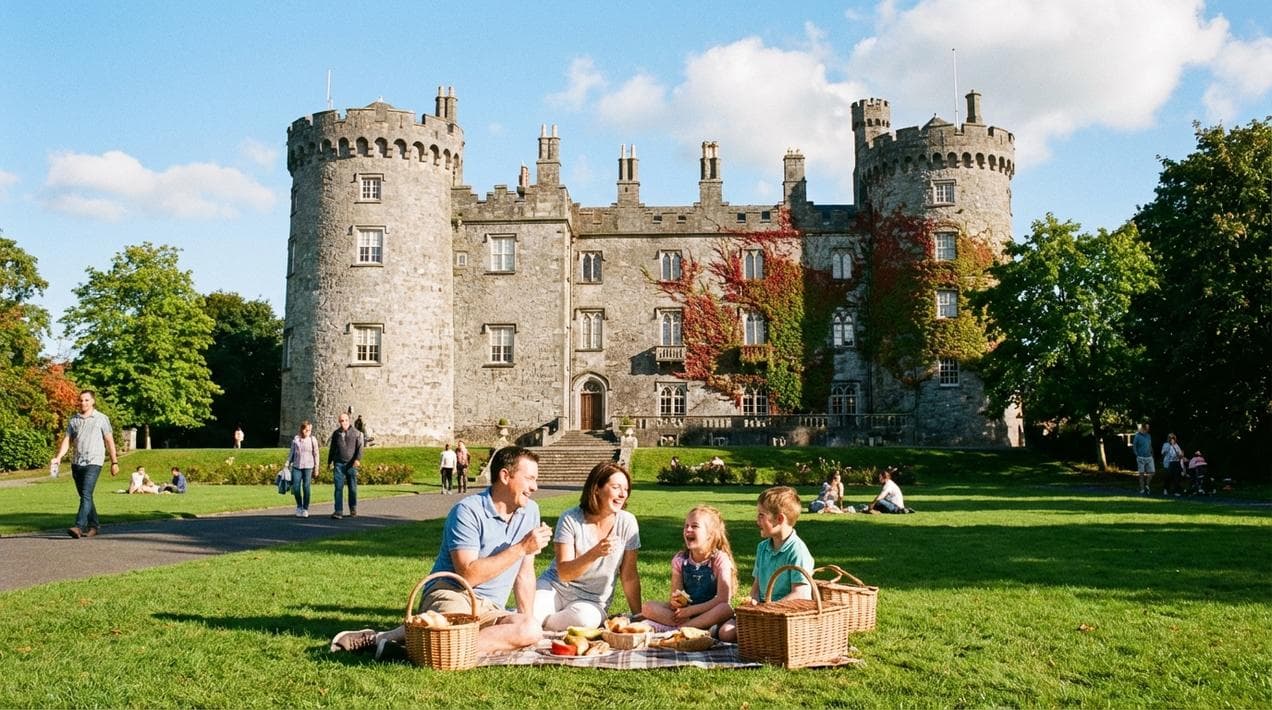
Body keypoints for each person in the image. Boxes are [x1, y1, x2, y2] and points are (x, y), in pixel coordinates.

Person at [330, 446, 552, 658]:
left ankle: (415, 648)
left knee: (530, 629)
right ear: (505, 476)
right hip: (452, 594)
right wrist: (521, 547)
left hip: (491, 608)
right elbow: (468, 575)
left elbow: (525, 573)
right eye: (530, 478)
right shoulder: (467, 511)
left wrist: (527, 619)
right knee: (456, 627)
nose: (535, 487)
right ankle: (388, 640)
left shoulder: (530, 511)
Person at [533, 461, 642, 631]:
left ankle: (542, 625)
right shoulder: (570, 518)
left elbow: (629, 576)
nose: (622, 494)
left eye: (626, 489)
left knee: (584, 621)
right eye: (616, 487)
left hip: (592, 601)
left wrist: (638, 616)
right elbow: (564, 573)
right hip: (555, 586)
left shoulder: (627, 522)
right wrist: (594, 553)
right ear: (597, 488)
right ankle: (537, 622)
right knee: (531, 615)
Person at [719, 486, 814, 641]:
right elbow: (756, 587)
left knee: (736, 632)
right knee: (726, 631)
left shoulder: (797, 550)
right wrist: (753, 603)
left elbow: (801, 594)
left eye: (761, 516)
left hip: (788, 614)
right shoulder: (762, 548)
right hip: (763, 611)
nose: (757, 520)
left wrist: (769, 608)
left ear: (780, 519)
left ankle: (759, 637)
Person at [641, 505, 738, 641]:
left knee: (725, 608)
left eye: (695, 526)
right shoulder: (680, 560)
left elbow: (723, 599)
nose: (688, 529)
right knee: (647, 607)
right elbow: (677, 595)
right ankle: (696, 628)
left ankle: (678, 630)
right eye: (686, 526)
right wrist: (677, 603)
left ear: (710, 534)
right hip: (687, 613)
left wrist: (692, 610)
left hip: (710, 612)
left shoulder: (719, 560)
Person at [51, 390, 119, 539]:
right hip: (77, 462)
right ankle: (94, 525)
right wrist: (58, 457)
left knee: (86, 494)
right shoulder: (74, 420)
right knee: (85, 496)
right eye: (81, 400)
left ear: (93, 401)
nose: (83, 403)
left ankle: (79, 526)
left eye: (87, 400)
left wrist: (114, 462)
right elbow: (67, 440)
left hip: (94, 461)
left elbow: (109, 440)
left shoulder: (101, 418)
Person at [328, 413, 364, 520]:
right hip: (338, 463)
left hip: (351, 464)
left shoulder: (356, 433)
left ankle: (353, 508)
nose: (343, 423)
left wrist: (357, 459)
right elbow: (332, 448)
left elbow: (360, 447)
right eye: (341, 421)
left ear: (349, 420)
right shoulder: (336, 434)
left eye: (345, 420)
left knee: (352, 488)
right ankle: (338, 511)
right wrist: (329, 462)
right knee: (338, 488)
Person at [287, 420, 320, 517]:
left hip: (308, 466)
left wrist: (316, 467)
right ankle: (299, 506)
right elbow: (292, 453)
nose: (307, 432)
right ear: (302, 429)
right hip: (297, 466)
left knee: (306, 487)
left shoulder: (312, 439)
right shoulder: (296, 439)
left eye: (309, 430)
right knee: (296, 487)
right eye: (306, 430)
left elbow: (316, 453)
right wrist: (287, 463)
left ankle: (305, 508)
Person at [1132, 423, 1155, 495]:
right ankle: (1142, 490)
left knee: (1152, 472)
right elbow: (1134, 446)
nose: (1148, 429)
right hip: (1141, 457)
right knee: (1141, 474)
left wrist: (1152, 453)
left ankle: (1147, 485)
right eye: (1147, 428)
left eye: (1149, 427)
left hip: (1149, 457)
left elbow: (1150, 445)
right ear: (1144, 428)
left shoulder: (1148, 435)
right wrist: (1137, 454)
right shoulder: (1137, 436)